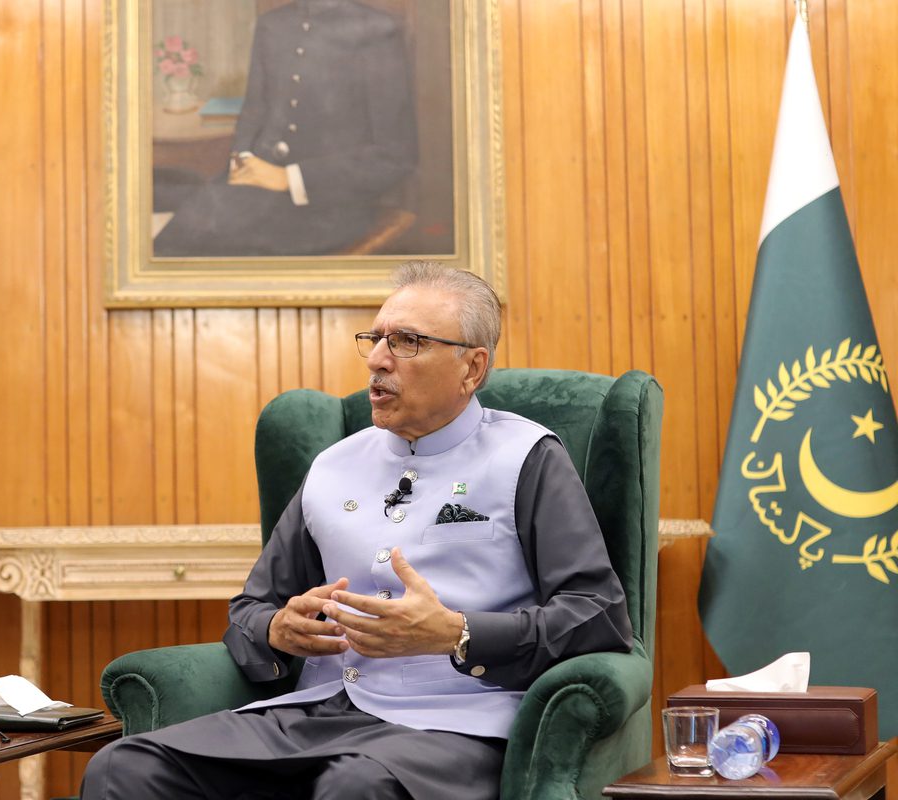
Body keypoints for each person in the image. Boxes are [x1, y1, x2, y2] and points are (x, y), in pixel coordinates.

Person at [81, 260, 633, 800]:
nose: (376, 360)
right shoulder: (331, 466)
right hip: (317, 713)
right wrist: (278, 628)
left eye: (407, 342)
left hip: (455, 721)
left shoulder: (526, 458)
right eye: (374, 339)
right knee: (122, 767)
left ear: (472, 368)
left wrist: (457, 632)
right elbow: (252, 607)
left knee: (356, 784)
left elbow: (598, 613)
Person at [153, 0, 418, 257]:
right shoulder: (272, 24)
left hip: (329, 207)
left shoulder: (378, 29)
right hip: (253, 189)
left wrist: (288, 179)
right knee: (177, 238)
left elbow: (395, 156)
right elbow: (254, 110)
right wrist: (243, 159)